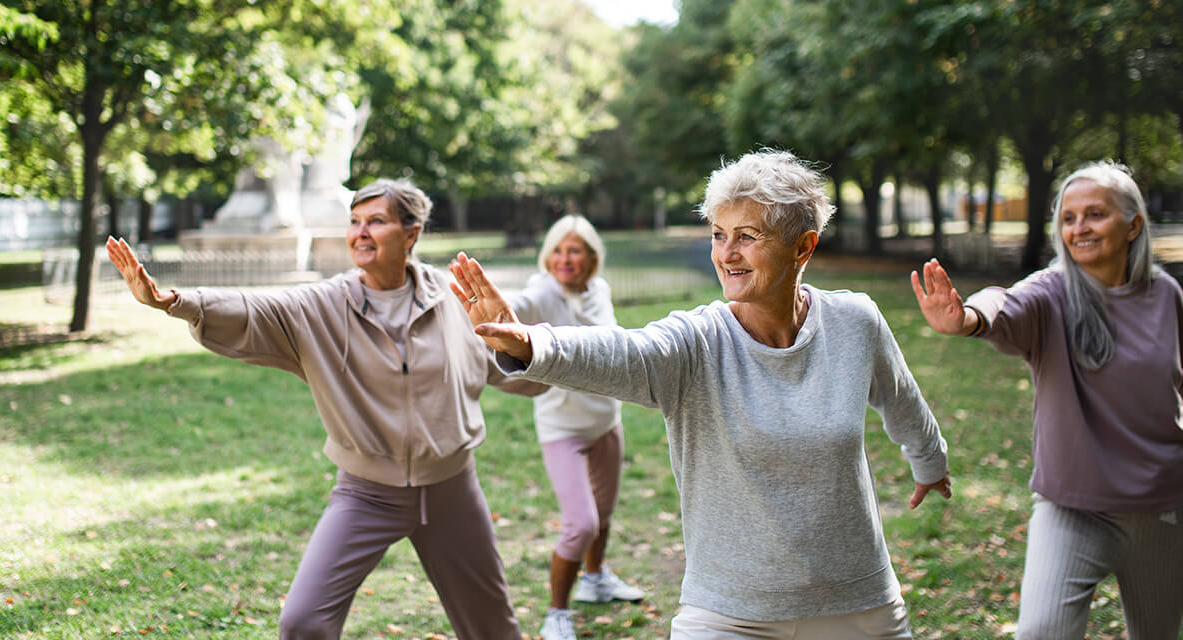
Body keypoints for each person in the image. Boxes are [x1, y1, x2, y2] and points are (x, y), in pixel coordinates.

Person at [449, 149, 952, 639]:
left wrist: (930, 462)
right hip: (729, 611)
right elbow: (625, 353)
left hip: (856, 600)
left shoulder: (855, 321)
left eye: (747, 236)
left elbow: (902, 399)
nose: (726, 254)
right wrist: (529, 341)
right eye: (718, 235)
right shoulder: (697, 341)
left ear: (803, 247)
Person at [105, 178, 545, 640]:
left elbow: (518, 372)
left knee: (492, 627)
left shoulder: (453, 298)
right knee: (303, 623)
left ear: (410, 235)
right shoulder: (324, 304)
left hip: (452, 486)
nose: (360, 233)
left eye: (376, 221)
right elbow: (255, 309)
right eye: (354, 222)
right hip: (366, 493)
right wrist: (176, 302)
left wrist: (520, 346)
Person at [911, 161, 1183, 640]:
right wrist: (968, 317)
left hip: (1161, 506)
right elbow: (1004, 304)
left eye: (1095, 214)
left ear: (1133, 224)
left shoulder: (1166, 295)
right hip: (1072, 507)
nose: (1080, 228)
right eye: (1069, 217)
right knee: (1041, 632)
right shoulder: (1051, 293)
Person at [507, 215, 645, 640]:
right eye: (559, 250)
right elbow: (518, 307)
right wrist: (496, 309)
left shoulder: (599, 291)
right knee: (580, 524)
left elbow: (616, 343)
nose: (565, 259)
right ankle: (557, 612)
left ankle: (596, 579)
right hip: (562, 428)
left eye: (575, 251)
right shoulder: (542, 292)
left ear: (592, 258)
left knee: (602, 517)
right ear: (548, 255)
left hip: (606, 420)